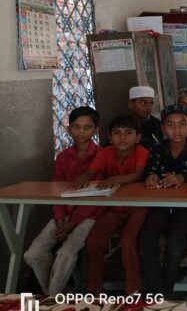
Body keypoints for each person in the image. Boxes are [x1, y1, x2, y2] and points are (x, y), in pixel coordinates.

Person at [24, 106, 102, 295]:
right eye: (76, 126)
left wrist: (72, 223)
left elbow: (98, 196)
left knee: (65, 254)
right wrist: (60, 220)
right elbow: (56, 191)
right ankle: (58, 293)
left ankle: (50, 298)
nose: (81, 131)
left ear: (96, 130)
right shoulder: (63, 157)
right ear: (69, 129)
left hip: (89, 216)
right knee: (32, 254)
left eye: (87, 127)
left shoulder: (102, 156)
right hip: (64, 214)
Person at [75, 114, 149, 295]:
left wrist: (114, 179)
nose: (122, 138)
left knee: (128, 241)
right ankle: (94, 290)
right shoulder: (105, 152)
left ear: (137, 137)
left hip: (138, 208)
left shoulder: (141, 152)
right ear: (110, 137)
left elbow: (138, 175)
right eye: (117, 133)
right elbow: (92, 171)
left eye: (128, 133)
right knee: (93, 240)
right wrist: (84, 178)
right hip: (114, 208)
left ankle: (133, 291)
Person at [138, 104, 187, 296]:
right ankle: (157, 291)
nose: (177, 130)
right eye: (170, 125)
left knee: (175, 247)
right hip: (160, 206)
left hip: (186, 210)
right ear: (163, 128)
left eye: (182, 124)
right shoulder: (157, 149)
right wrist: (151, 177)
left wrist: (181, 178)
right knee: (145, 241)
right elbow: (151, 170)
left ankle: (164, 293)